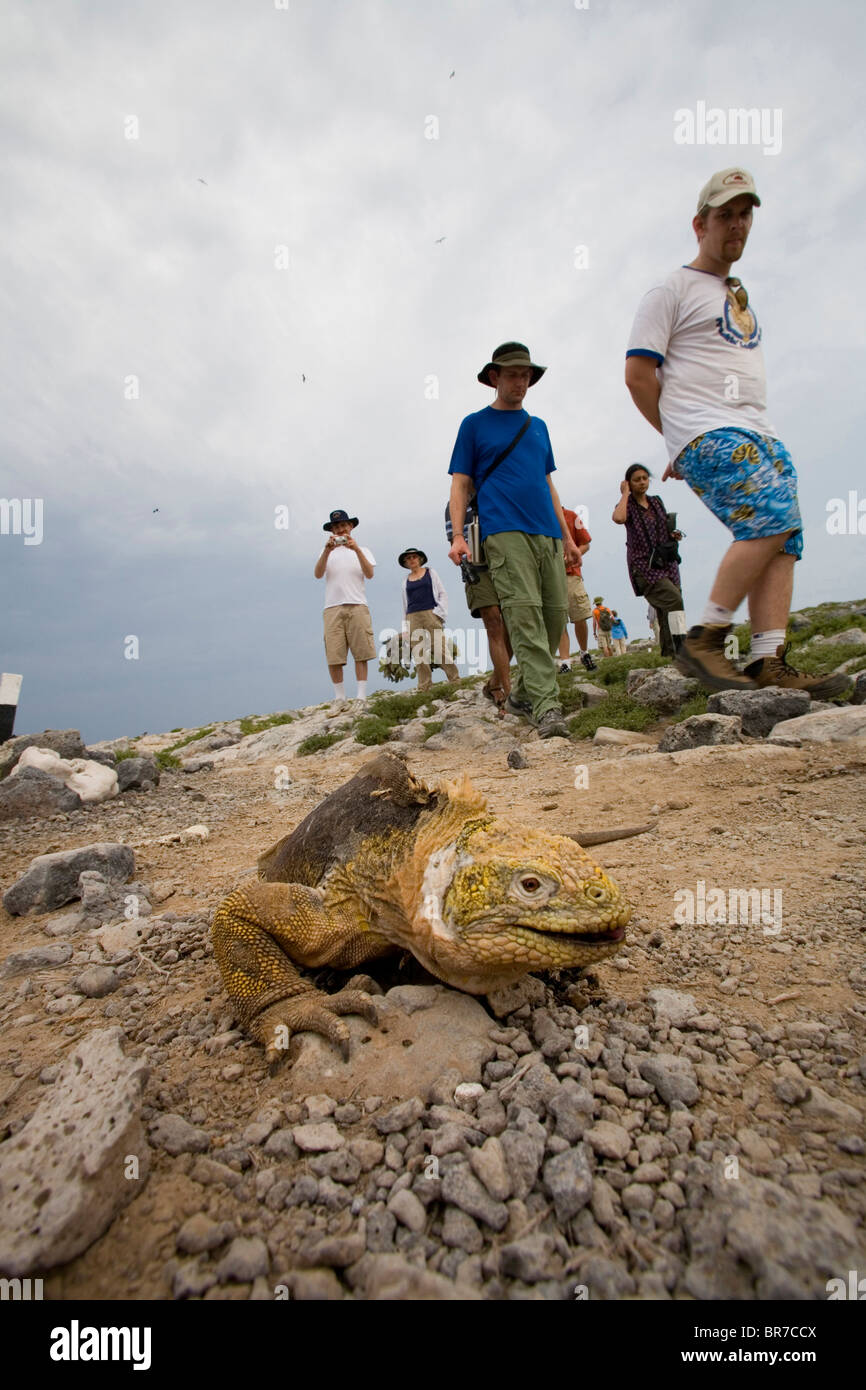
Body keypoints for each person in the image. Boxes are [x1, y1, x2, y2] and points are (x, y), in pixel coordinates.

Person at [625, 167, 847, 696]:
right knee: (770, 516)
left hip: (759, 430)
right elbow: (638, 374)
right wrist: (678, 435)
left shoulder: (736, 294)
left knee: (785, 535)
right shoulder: (671, 288)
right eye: (725, 215)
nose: (737, 225)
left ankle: (769, 658)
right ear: (699, 224)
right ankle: (706, 637)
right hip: (709, 429)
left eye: (745, 214)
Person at [447, 342, 579, 739]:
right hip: (503, 532)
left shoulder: (538, 427)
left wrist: (569, 536)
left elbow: (548, 484)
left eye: (526, 375)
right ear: (494, 378)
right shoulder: (474, 424)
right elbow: (460, 484)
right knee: (523, 615)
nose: (520, 381)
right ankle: (546, 705)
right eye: (512, 374)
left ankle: (522, 692)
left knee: (556, 615)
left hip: (549, 534)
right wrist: (458, 536)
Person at [445, 503, 514, 713]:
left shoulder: (494, 491)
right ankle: (509, 695)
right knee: (494, 625)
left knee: (511, 627)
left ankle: (494, 682)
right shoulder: (454, 505)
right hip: (477, 570)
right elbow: (454, 540)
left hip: (506, 564)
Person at [612, 464, 686, 658]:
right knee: (674, 600)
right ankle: (682, 650)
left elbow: (661, 527)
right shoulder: (627, 506)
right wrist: (625, 493)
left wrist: (672, 534)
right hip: (645, 566)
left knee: (666, 609)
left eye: (645, 478)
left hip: (667, 561)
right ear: (629, 483)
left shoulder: (656, 502)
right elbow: (618, 518)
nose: (642, 482)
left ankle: (672, 655)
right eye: (637, 479)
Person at [313, 508, 376, 704]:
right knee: (334, 654)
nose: (340, 530)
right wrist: (326, 550)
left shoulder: (363, 550)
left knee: (361, 652)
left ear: (351, 526)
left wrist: (356, 549)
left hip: (357, 604)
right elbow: (318, 573)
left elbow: (369, 573)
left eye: (343, 526)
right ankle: (339, 697)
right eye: (336, 527)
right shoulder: (327, 551)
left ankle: (361, 695)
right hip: (332, 607)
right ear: (332, 531)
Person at [398, 547, 460, 690]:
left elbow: (442, 593)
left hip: (431, 613)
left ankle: (455, 680)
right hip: (412, 616)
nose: (412, 560)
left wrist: (439, 613)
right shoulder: (405, 581)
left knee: (439, 648)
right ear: (405, 563)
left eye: (414, 557)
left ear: (419, 559)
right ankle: (424, 686)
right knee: (418, 652)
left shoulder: (431, 573)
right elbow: (404, 604)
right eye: (408, 558)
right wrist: (405, 627)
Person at [556, 507, 597, 672]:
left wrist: (572, 556)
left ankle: (584, 652)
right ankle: (565, 661)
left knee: (580, 615)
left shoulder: (571, 516)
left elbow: (585, 544)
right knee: (559, 620)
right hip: (549, 577)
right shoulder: (538, 516)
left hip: (571, 573)